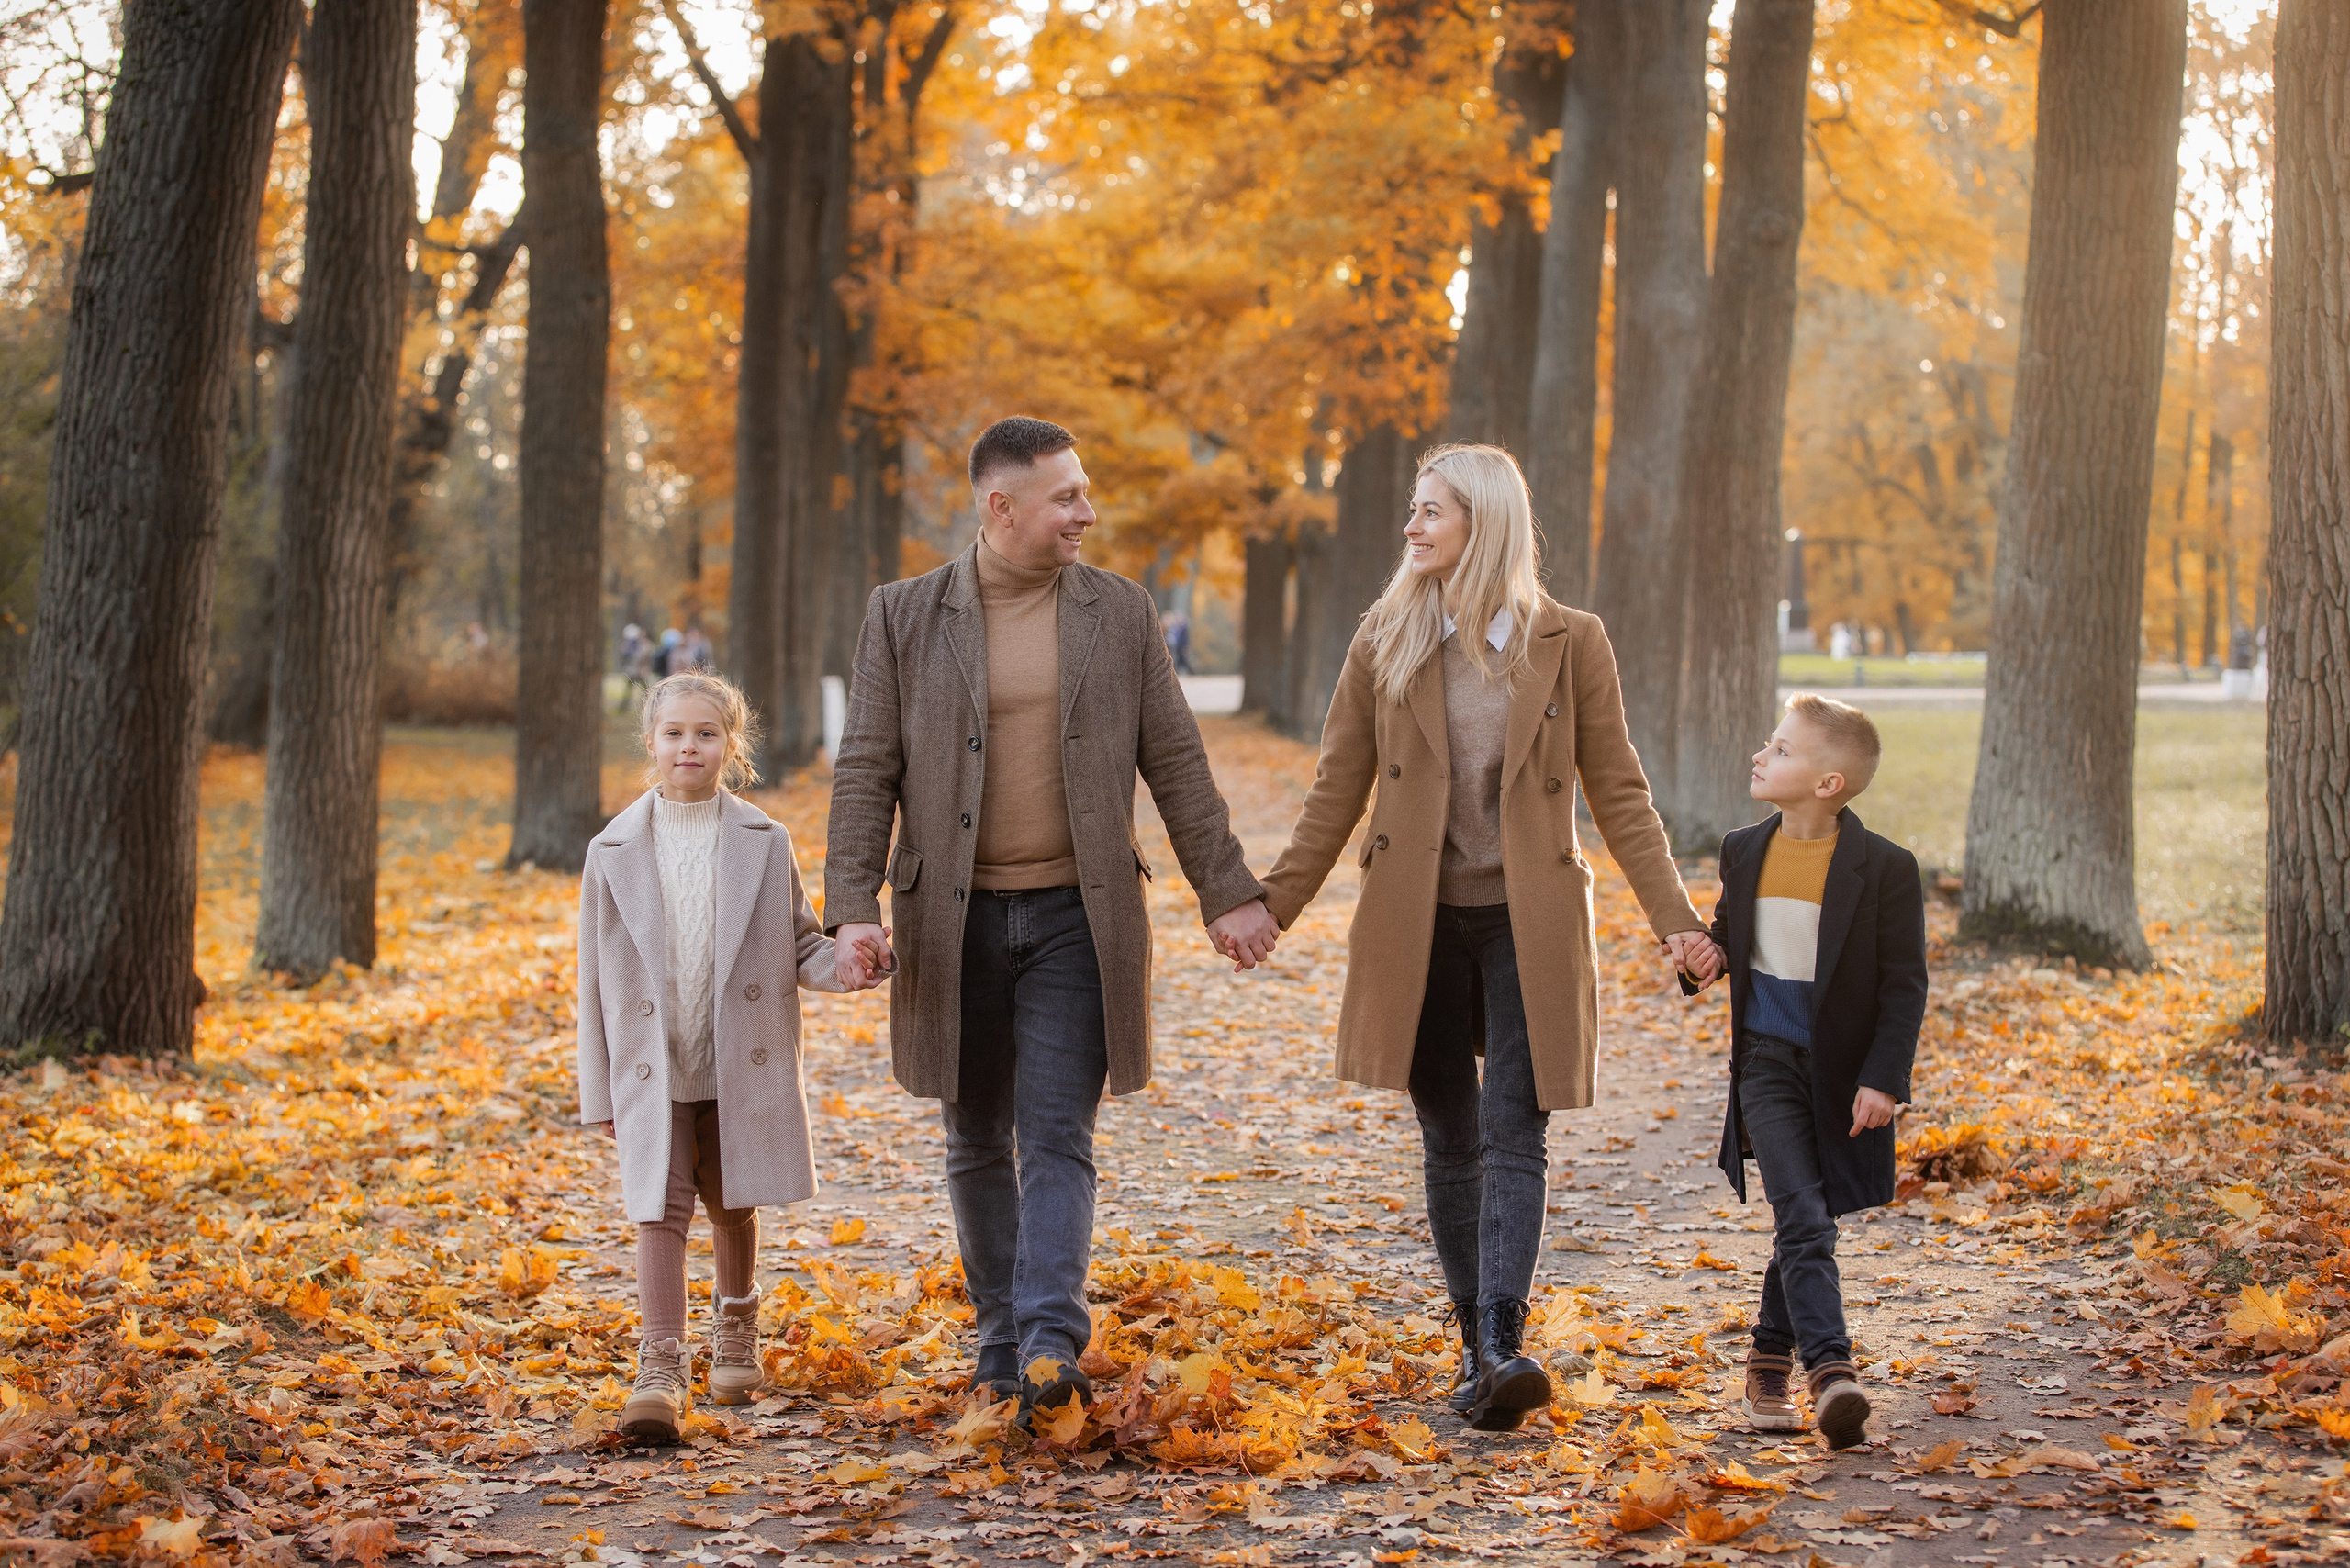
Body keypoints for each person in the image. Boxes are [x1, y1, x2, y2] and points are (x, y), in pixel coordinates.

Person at [824, 416, 1278, 1428]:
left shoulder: (1118, 612)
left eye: (1085, 491)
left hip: (1080, 916)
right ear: (1002, 507)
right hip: (953, 922)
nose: (1086, 510)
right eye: (1065, 496)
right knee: (976, 1132)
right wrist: (848, 910)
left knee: (1058, 1132)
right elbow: (866, 769)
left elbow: (1174, 758)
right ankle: (997, 1339)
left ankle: (1045, 1342)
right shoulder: (903, 616)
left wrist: (1228, 888)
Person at [1259, 443, 1721, 1433]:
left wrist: (1678, 922)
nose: (1412, 527)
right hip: (1413, 922)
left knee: (1517, 1125)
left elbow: (1622, 795)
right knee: (1450, 1133)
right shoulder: (1383, 636)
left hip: (1529, 919)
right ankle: (1477, 1345)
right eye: (1413, 511)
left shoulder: (1569, 641)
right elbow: (1334, 793)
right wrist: (1271, 905)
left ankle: (1503, 1344)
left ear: (1487, 522)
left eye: (1433, 512)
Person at [576, 670, 890, 1444]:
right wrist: (599, 1094)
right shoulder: (611, 849)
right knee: (659, 1203)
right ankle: (658, 1364)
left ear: (731, 746)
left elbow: (801, 944)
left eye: (706, 733)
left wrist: (849, 966)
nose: (690, 745)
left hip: (737, 1058)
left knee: (732, 1199)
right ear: (650, 742)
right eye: (675, 733)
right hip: (653, 1063)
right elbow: (591, 980)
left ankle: (736, 1331)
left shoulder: (762, 839)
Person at [1687, 692, 1926, 1450]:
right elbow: (1729, 939)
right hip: (1764, 1062)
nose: (1763, 755)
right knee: (1804, 1218)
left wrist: (1885, 1079)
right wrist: (1704, 958)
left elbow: (1903, 985)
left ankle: (1765, 1362)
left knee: (1806, 1221)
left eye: (1782, 749)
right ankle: (1831, 1374)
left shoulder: (1886, 869)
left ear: (1829, 784)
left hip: (1840, 1073)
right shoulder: (1743, 848)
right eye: (1770, 743)